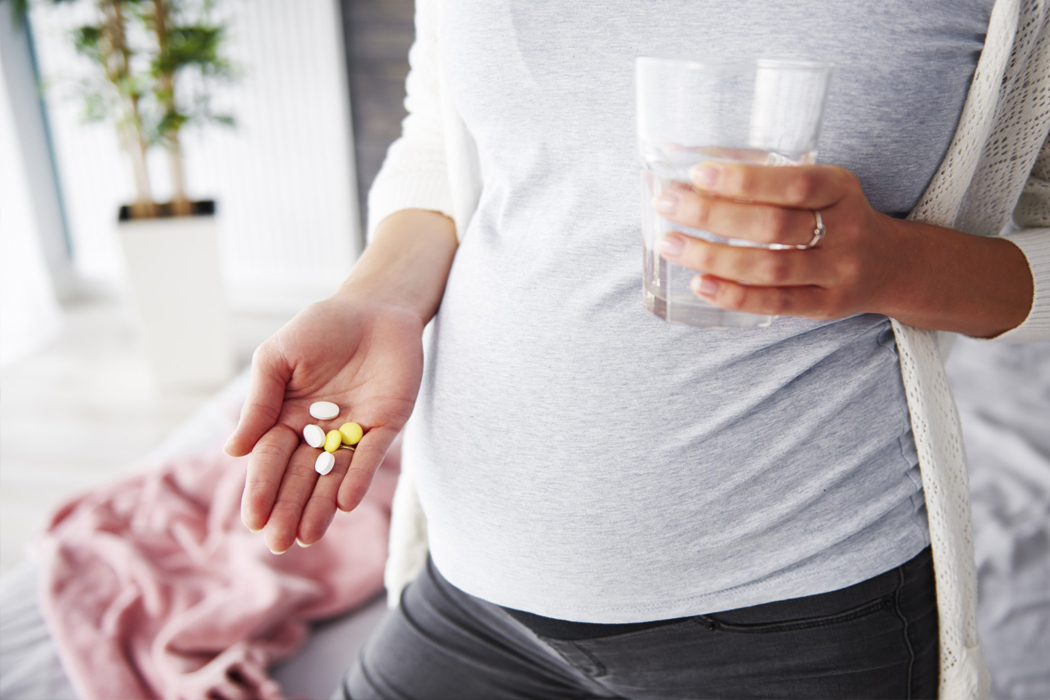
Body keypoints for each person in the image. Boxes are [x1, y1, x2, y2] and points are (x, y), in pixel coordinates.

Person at [223, 0, 1050, 698]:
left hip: (795, 622)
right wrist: (377, 296)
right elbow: (447, 133)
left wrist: (892, 266)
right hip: (472, 591)